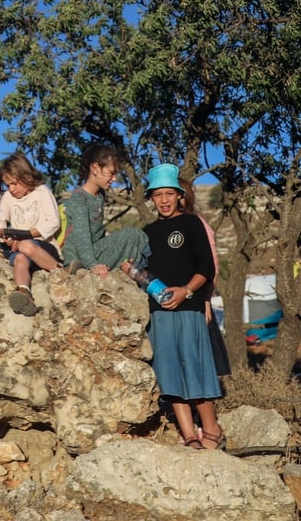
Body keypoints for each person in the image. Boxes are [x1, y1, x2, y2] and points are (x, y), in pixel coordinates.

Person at [134, 163, 223, 450]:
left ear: (179, 195)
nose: (163, 200)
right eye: (157, 194)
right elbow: (141, 272)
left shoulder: (192, 223)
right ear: (151, 198)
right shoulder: (145, 232)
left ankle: (211, 430)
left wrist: (186, 291)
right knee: (169, 373)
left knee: (195, 369)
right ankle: (188, 436)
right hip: (159, 312)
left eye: (169, 194)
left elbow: (206, 267)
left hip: (189, 307)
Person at [60, 145, 147, 276]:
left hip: (96, 250)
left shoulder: (100, 195)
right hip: (80, 257)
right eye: (111, 173)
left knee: (135, 236)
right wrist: (92, 264)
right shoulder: (79, 199)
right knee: (134, 234)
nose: (114, 179)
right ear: (95, 168)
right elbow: (82, 238)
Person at [0, 153, 62, 316]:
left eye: (14, 184)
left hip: (44, 247)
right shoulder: (8, 198)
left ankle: (59, 271)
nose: (11, 189)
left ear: (26, 177)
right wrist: (5, 236)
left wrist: (26, 235)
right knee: (19, 258)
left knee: (26, 245)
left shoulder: (42, 192)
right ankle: (24, 292)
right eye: (7, 185)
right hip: (21, 248)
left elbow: (53, 222)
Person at [179, 176, 231, 378]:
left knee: (201, 365)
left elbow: (212, 263)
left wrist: (207, 298)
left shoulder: (197, 223)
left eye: (182, 195)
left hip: (196, 298)